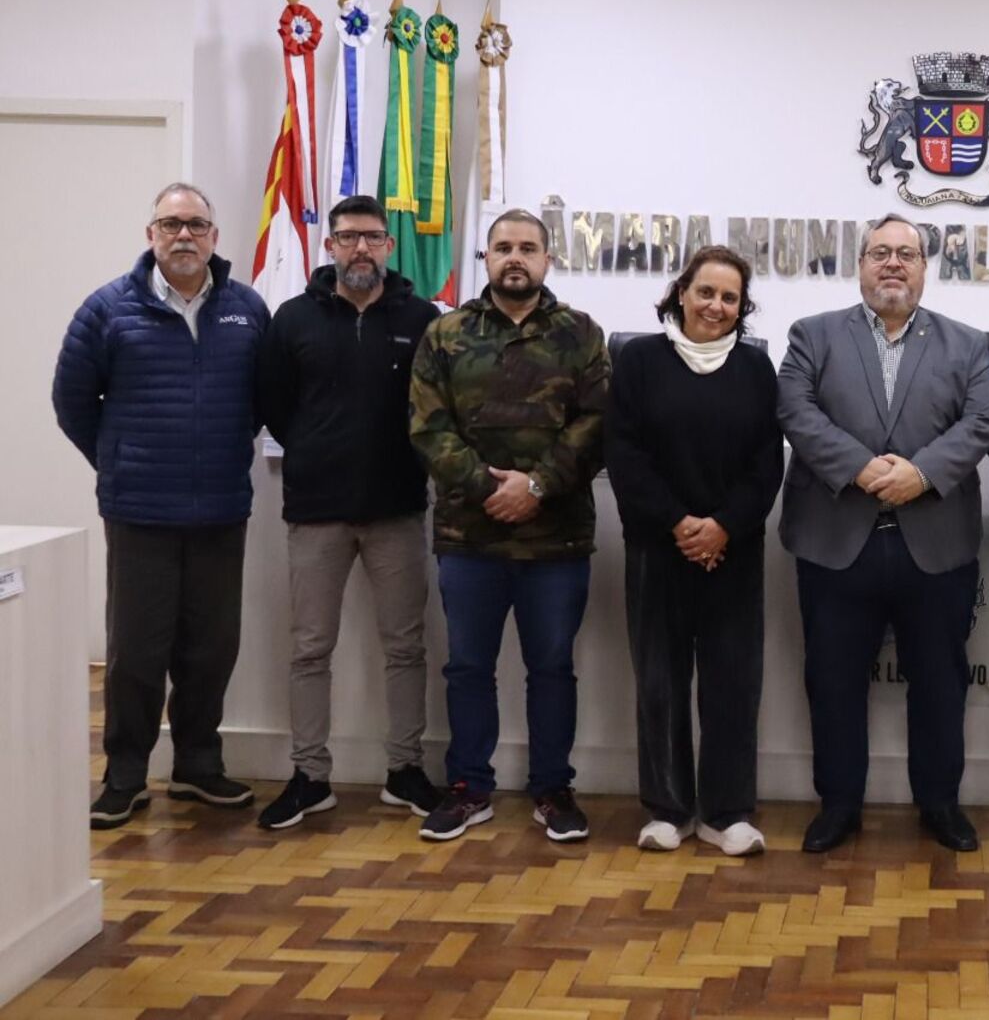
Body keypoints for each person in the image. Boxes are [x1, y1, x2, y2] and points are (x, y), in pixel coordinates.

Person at [777, 214, 989, 854]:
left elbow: (983, 421)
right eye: (880, 253)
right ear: (861, 264)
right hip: (835, 541)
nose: (893, 263)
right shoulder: (813, 335)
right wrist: (862, 468)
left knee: (939, 681)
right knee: (833, 679)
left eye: (906, 253)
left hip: (936, 544)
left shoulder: (967, 344)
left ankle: (940, 805)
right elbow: (795, 408)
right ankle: (839, 805)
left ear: (926, 268)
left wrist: (922, 473)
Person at [53, 183, 268, 829]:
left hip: (221, 510)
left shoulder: (246, 310)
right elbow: (71, 402)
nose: (183, 235)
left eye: (196, 224)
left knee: (211, 646)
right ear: (150, 234)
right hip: (140, 510)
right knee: (137, 649)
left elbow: (263, 400)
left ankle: (199, 762)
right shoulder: (108, 309)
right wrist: (119, 462)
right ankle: (125, 773)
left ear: (214, 237)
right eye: (170, 223)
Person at [408, 209, 609, 843]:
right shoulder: (445, 334)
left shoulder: (580, 333)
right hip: (471, 537)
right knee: (468, 666)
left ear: (548, 260)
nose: (514, 258)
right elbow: (428, 428)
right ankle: (469, 786)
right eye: (502, 248)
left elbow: (596, 424)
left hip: (557, 539)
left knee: (552, 668)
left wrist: (538, 486)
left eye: (528, 248)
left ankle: (552, 788)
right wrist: (491, 488)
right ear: (486, 259)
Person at [253, 196, 441, 829]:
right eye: (348, 238)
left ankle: (404, 770)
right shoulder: (292, 319)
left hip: (397, 509)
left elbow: (437, 407)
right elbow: (276, 406)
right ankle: (310, 775)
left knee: (406, 647)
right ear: (328, 246)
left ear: (389, 246)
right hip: (316, 511)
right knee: (309, 648)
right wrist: (317, 448)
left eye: (373, 238)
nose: (361, 248)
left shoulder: (422, 318)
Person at [605, 246, 783, 857]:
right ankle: (667, 810)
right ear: (681, 292)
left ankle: (726, 812)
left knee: (734, 684)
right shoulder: (638, 360)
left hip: (733, 551)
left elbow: (766, 463)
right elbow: (625, 455)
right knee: (660, 680)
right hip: (659, 549)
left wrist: (722, 527)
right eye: (705, 292)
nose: (716, 305)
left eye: (730, 297)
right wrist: (680, 524)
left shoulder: (757, 370)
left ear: (742, 307)